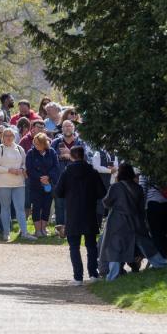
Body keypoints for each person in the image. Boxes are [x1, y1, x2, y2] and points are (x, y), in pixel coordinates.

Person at [99, 163, 167, 281]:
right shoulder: (138, 188)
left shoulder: (115, 187)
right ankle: (162, 264)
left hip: (118, 222)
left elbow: (106, 202)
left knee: (115, 249)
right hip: (136, 221)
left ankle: (112, 277)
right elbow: (141, 208)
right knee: (146, 246)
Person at [55, 146, 106, 286]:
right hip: (90, 211)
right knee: (91, 246)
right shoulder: (93, 172)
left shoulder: (67, 172)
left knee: (74, 246)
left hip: (73, 212)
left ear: (71, 156)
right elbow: (102, 192)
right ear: (83, 156)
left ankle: (78, 277)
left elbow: (58, 192)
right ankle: (93, 274)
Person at [0, 128, 36, 241]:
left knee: (20, 208)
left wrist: (22, 169)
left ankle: (24, 233)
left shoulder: (19, 149)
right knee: (5, 208)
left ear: (14, 137)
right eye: (6, 135)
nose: (9, 137)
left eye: (11, 135)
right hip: (3, 184)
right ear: (3, 137)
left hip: (19, 183)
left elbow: (25, 163)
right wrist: (8, 170)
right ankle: (6, 233)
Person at [27, 133, 60, 237]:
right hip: (36, 184)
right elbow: (30, 169)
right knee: (36, 207)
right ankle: (37, 230)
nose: (36, 145)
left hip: (49, 184)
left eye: (39, 143)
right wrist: (41, 178)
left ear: (44, 143)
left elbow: (56, 167)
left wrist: (48, 177)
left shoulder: (52, 152)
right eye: (35, 143)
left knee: (47, 206)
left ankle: (43, 229)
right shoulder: (31, 153)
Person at [51, 120, 82, 228]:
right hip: (59, 178)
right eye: (65, 126)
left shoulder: (80, 143)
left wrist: (70, 155)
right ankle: (60, 229)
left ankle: (71, 228)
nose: (67, 128)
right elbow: (50, 158)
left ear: (73, 128)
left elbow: (85, 159)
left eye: (69, 126)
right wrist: (60, 157)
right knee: (59, 205)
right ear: (62, 129)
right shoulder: (55, 142)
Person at [139, 175, 167, 259]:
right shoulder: (166, 168)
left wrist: (142, 208)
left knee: (157, 235)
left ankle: (161, 261)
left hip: (154, 204)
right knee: (164, 234)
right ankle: (163, 259)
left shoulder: (145, 171)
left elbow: (142, 190)